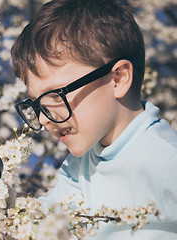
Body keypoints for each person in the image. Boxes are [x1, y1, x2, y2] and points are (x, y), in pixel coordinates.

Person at [11, 0, 177, 239]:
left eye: (55, 94)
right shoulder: (78, 168)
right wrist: (5, 206)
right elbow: (45, 222)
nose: (43, 119)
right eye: (36, 104)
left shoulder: (166, 161)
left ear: (118, 79)